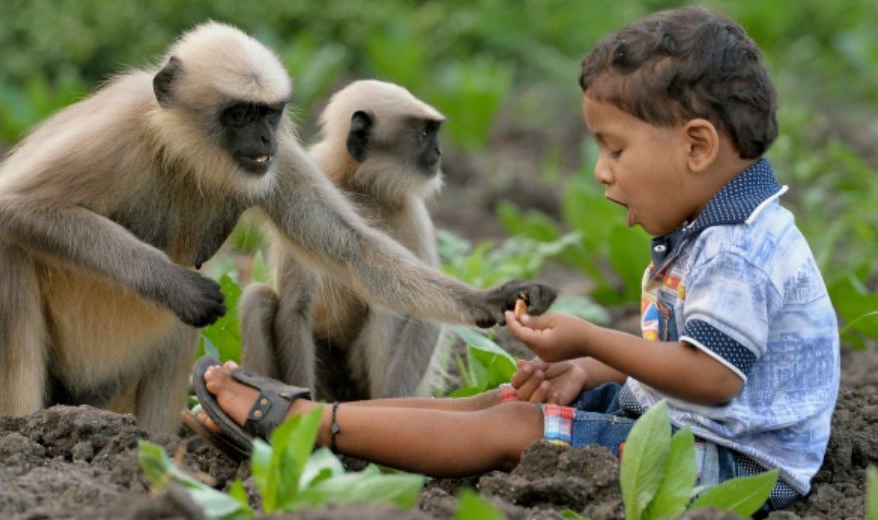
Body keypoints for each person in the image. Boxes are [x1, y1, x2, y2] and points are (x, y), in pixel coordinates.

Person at [189, 6, 839, 511]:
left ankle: (302, 425)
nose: (602, 172)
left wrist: (593, 341)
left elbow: (711, 378)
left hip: (730, 466)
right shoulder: (716, 229)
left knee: (513, 427)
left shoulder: (740, 249)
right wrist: (586, 367)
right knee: (498, 400)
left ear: (697, 146)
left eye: (616, 150)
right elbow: (698, 367)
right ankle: (303, 418)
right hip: (686, 426)